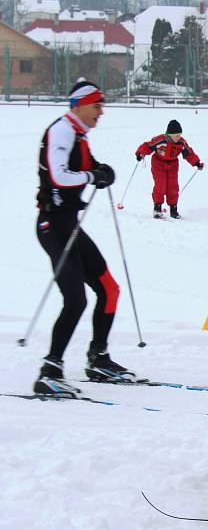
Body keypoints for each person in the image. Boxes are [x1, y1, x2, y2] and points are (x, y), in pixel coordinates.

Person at [34, 80, 137, 396]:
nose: (101, 112)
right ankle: (49, 371)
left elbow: (88, 167)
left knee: (109, 288)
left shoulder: (78, 135)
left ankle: (98, 359)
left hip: (69, 224)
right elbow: (58, 175)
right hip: (53, 225)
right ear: (79, 105)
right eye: (96, 106)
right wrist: (93, 175)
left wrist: (102, 170)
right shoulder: (62, 131)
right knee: (76, 299)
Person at [135, 119, 203, 220]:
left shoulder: (181, 143)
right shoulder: (161, 140)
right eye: (176, 135)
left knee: (173, 186)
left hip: (173, 165)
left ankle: (173, 210)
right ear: (169, 135)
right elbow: (148, 146)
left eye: (179, 135)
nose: (178, 137)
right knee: (160, 185)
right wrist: (140, 153)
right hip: (158, 163)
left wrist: (196, 162)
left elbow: (189, 153)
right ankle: (157, 209)